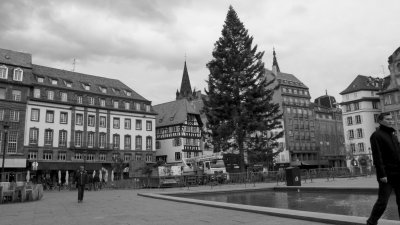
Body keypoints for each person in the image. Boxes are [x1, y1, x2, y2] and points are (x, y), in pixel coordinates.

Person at [367, 113, 400, 225]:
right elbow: (377, 156)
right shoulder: (376, 135)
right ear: (380, 121)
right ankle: (371, 222)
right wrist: (382, 174)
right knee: (383, 202)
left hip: (398, 173)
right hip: (387, 175)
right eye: (387, 119)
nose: (390, 121)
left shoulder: (393, 135)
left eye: (391, 119)